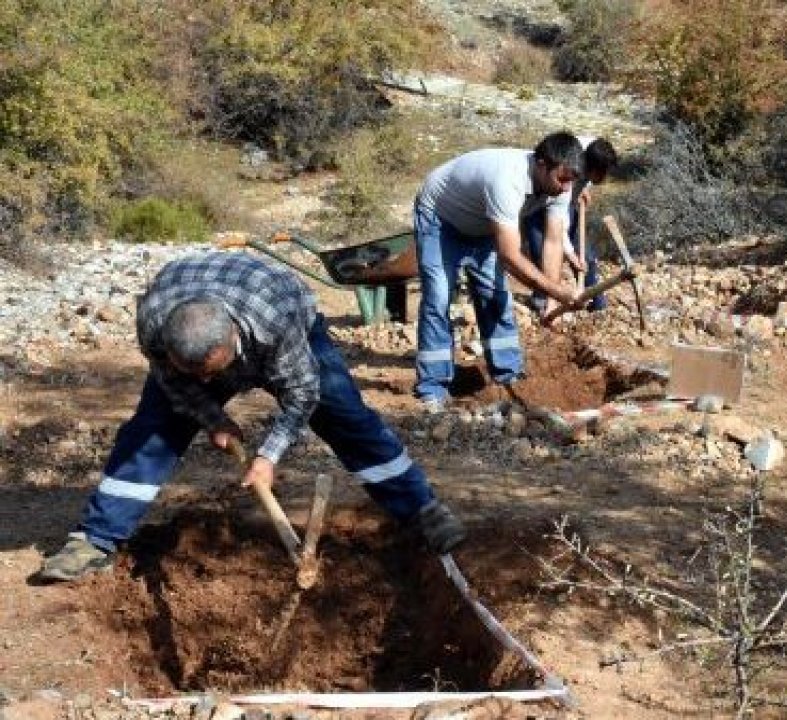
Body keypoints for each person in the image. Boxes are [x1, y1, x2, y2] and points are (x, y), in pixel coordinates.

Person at [39, 252, 465, 582]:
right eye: (199, 374)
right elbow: (173, 382)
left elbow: (302, 394)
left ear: (233, 338)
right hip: (198, 314)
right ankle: (94, 540)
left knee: (345, 415)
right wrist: (213, 418)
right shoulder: (154, 325)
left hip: (286, 316)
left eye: (214, 371)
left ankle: (421, 510)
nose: (210, 380)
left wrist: (267, 457)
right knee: (153, 431)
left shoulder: (274, 322)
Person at [412, 131, 585, 412]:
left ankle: (508, 375)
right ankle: (433, 387)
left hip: (484, 226)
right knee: (438, 298)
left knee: (495, 296)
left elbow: (553, 242)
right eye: (562, 179)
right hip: (441, 220)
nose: (566, 188)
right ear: (541, 165)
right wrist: (557, 290)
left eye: (571, 181)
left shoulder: (561, 186)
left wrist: (552, 299)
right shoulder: (507, 180)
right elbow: (510, 256)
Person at [521, 136, 619, 313]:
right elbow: (559, 228)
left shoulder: (592, 150)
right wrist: (571, 254)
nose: (605, 178)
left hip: (564, 207)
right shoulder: (568, 178)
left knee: (586, 258)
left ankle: (595, 303)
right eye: (603, 173)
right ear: (592, 168)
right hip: (538, 206)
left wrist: (586, 188)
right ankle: (543, 300)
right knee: (540, 252)